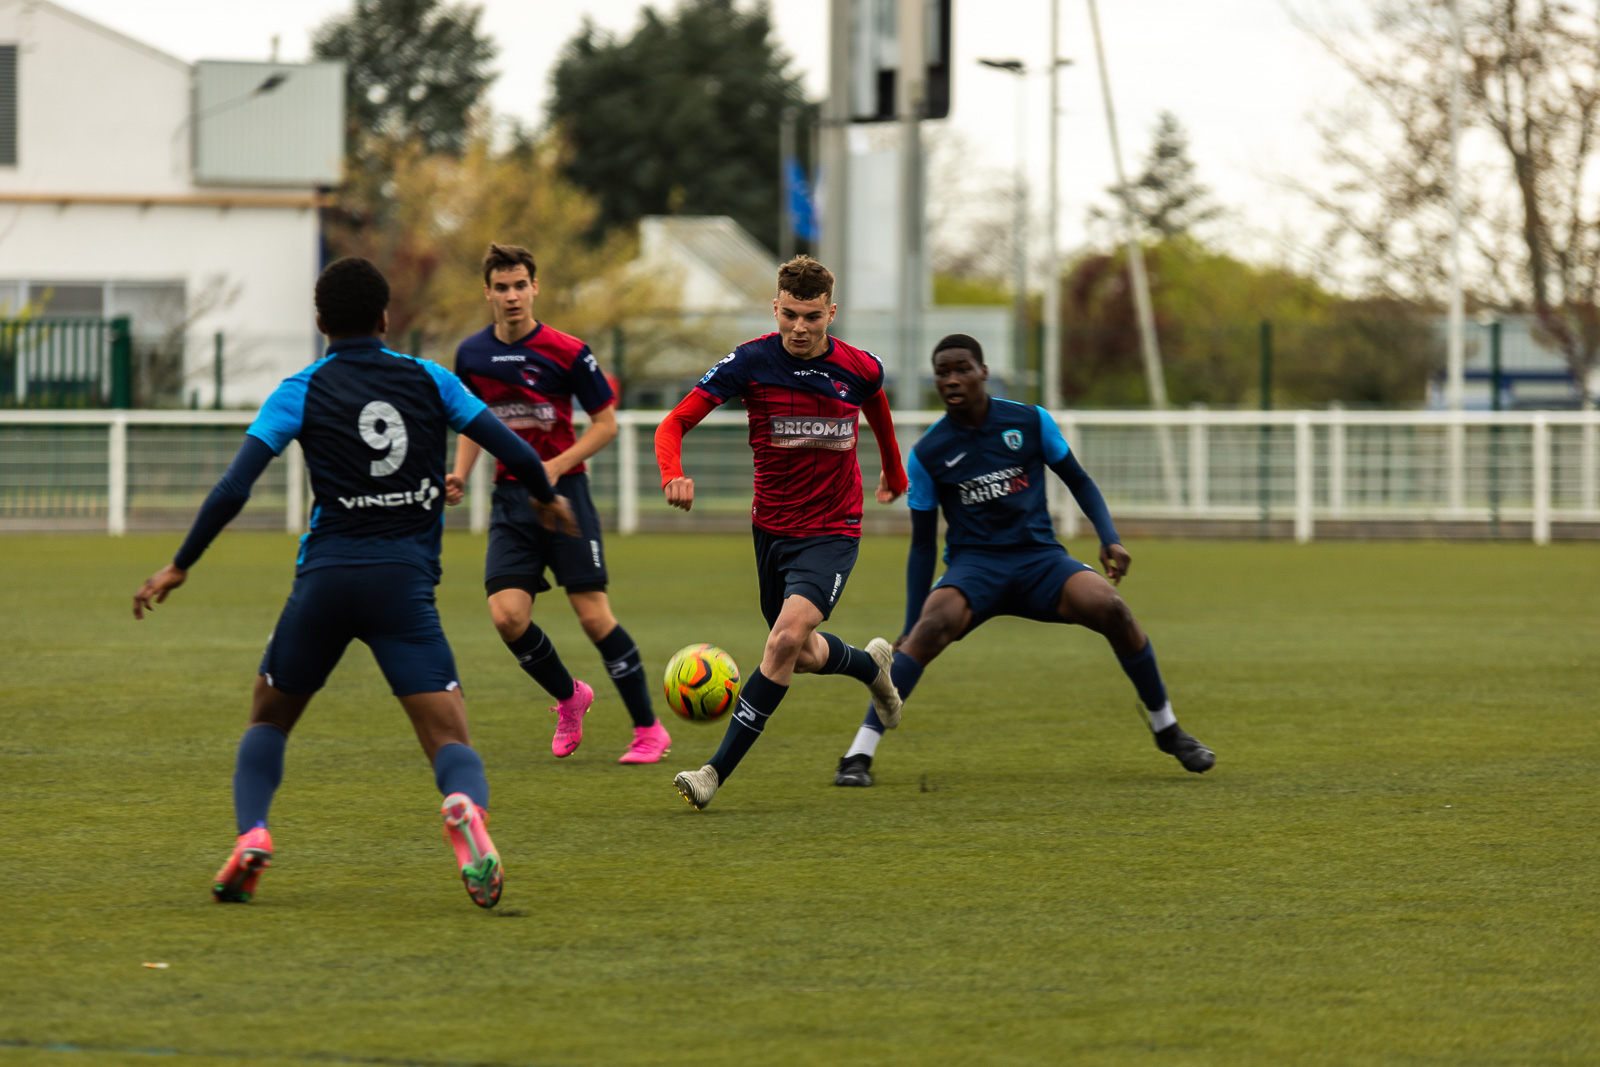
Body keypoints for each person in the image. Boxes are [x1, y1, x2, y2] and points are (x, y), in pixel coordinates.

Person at [131, 257, 578, 910]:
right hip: (403, 589)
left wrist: (181, 563)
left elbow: (234, 486)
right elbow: (512, 447)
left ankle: (253, 832)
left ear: (320, 323)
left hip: (325, 582)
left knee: (268, 716)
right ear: (385, 318)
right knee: (450, 738)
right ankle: (461, 803)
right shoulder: (433, 379)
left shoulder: (300, 389)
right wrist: (543, 494)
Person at [831, 334, 1215, 788]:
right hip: (975, 568)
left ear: (984, 372)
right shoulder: (929, 454)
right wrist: (911, 623)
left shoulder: (1030, 421)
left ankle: (1168, 729)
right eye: (942, 373)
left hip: (1040, 560)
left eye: (962, 369)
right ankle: (857, 755)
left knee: (1113, 608)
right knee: (928, 631)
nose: (952, 379)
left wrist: (1109, 539)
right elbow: (922, 546)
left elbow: (1079, 480)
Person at [655, 255, 909, 810]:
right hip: (771, 528)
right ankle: (871, 668)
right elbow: (674, 422)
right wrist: (672, 473)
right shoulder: (750, 362)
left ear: (831, 314)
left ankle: (712, 773)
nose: (799, 327)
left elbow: (879, 413)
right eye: (789, 315)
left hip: (834, 528)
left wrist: (894, 472)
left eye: (811, 317)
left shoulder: (860, 368)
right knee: (803, 653)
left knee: (783, 640)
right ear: (775, 307)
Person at [444, 243, 669, 764]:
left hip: (566, 496)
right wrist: (460, 475)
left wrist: (555, 466)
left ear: (535, 287)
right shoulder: (471, 355)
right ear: (488, 293)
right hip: (510, 500)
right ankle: (570, 698)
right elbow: (472, 424)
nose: (512, 295)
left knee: (593, 618)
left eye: (520, 285)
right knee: (507, 617)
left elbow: (606, 425)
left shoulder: (568, 350)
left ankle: (648, 730)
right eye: (502, 287)